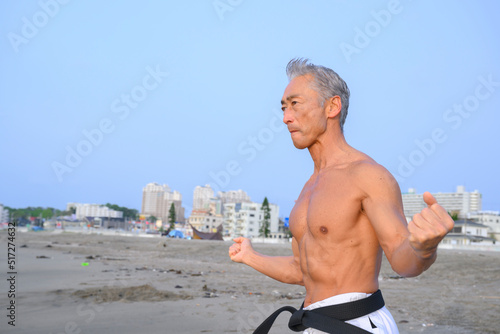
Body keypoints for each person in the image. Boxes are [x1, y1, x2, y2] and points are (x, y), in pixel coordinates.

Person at [228, 58, 454, 334]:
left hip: (356, 323)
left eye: (295, 104)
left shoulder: (368, 175)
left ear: (332, 107)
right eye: (284, 107)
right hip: (313, 322)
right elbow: (303, 270)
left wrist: (424, 248)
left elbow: (401, 259)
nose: (286, 117)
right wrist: (250, 256)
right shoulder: (308, 188)